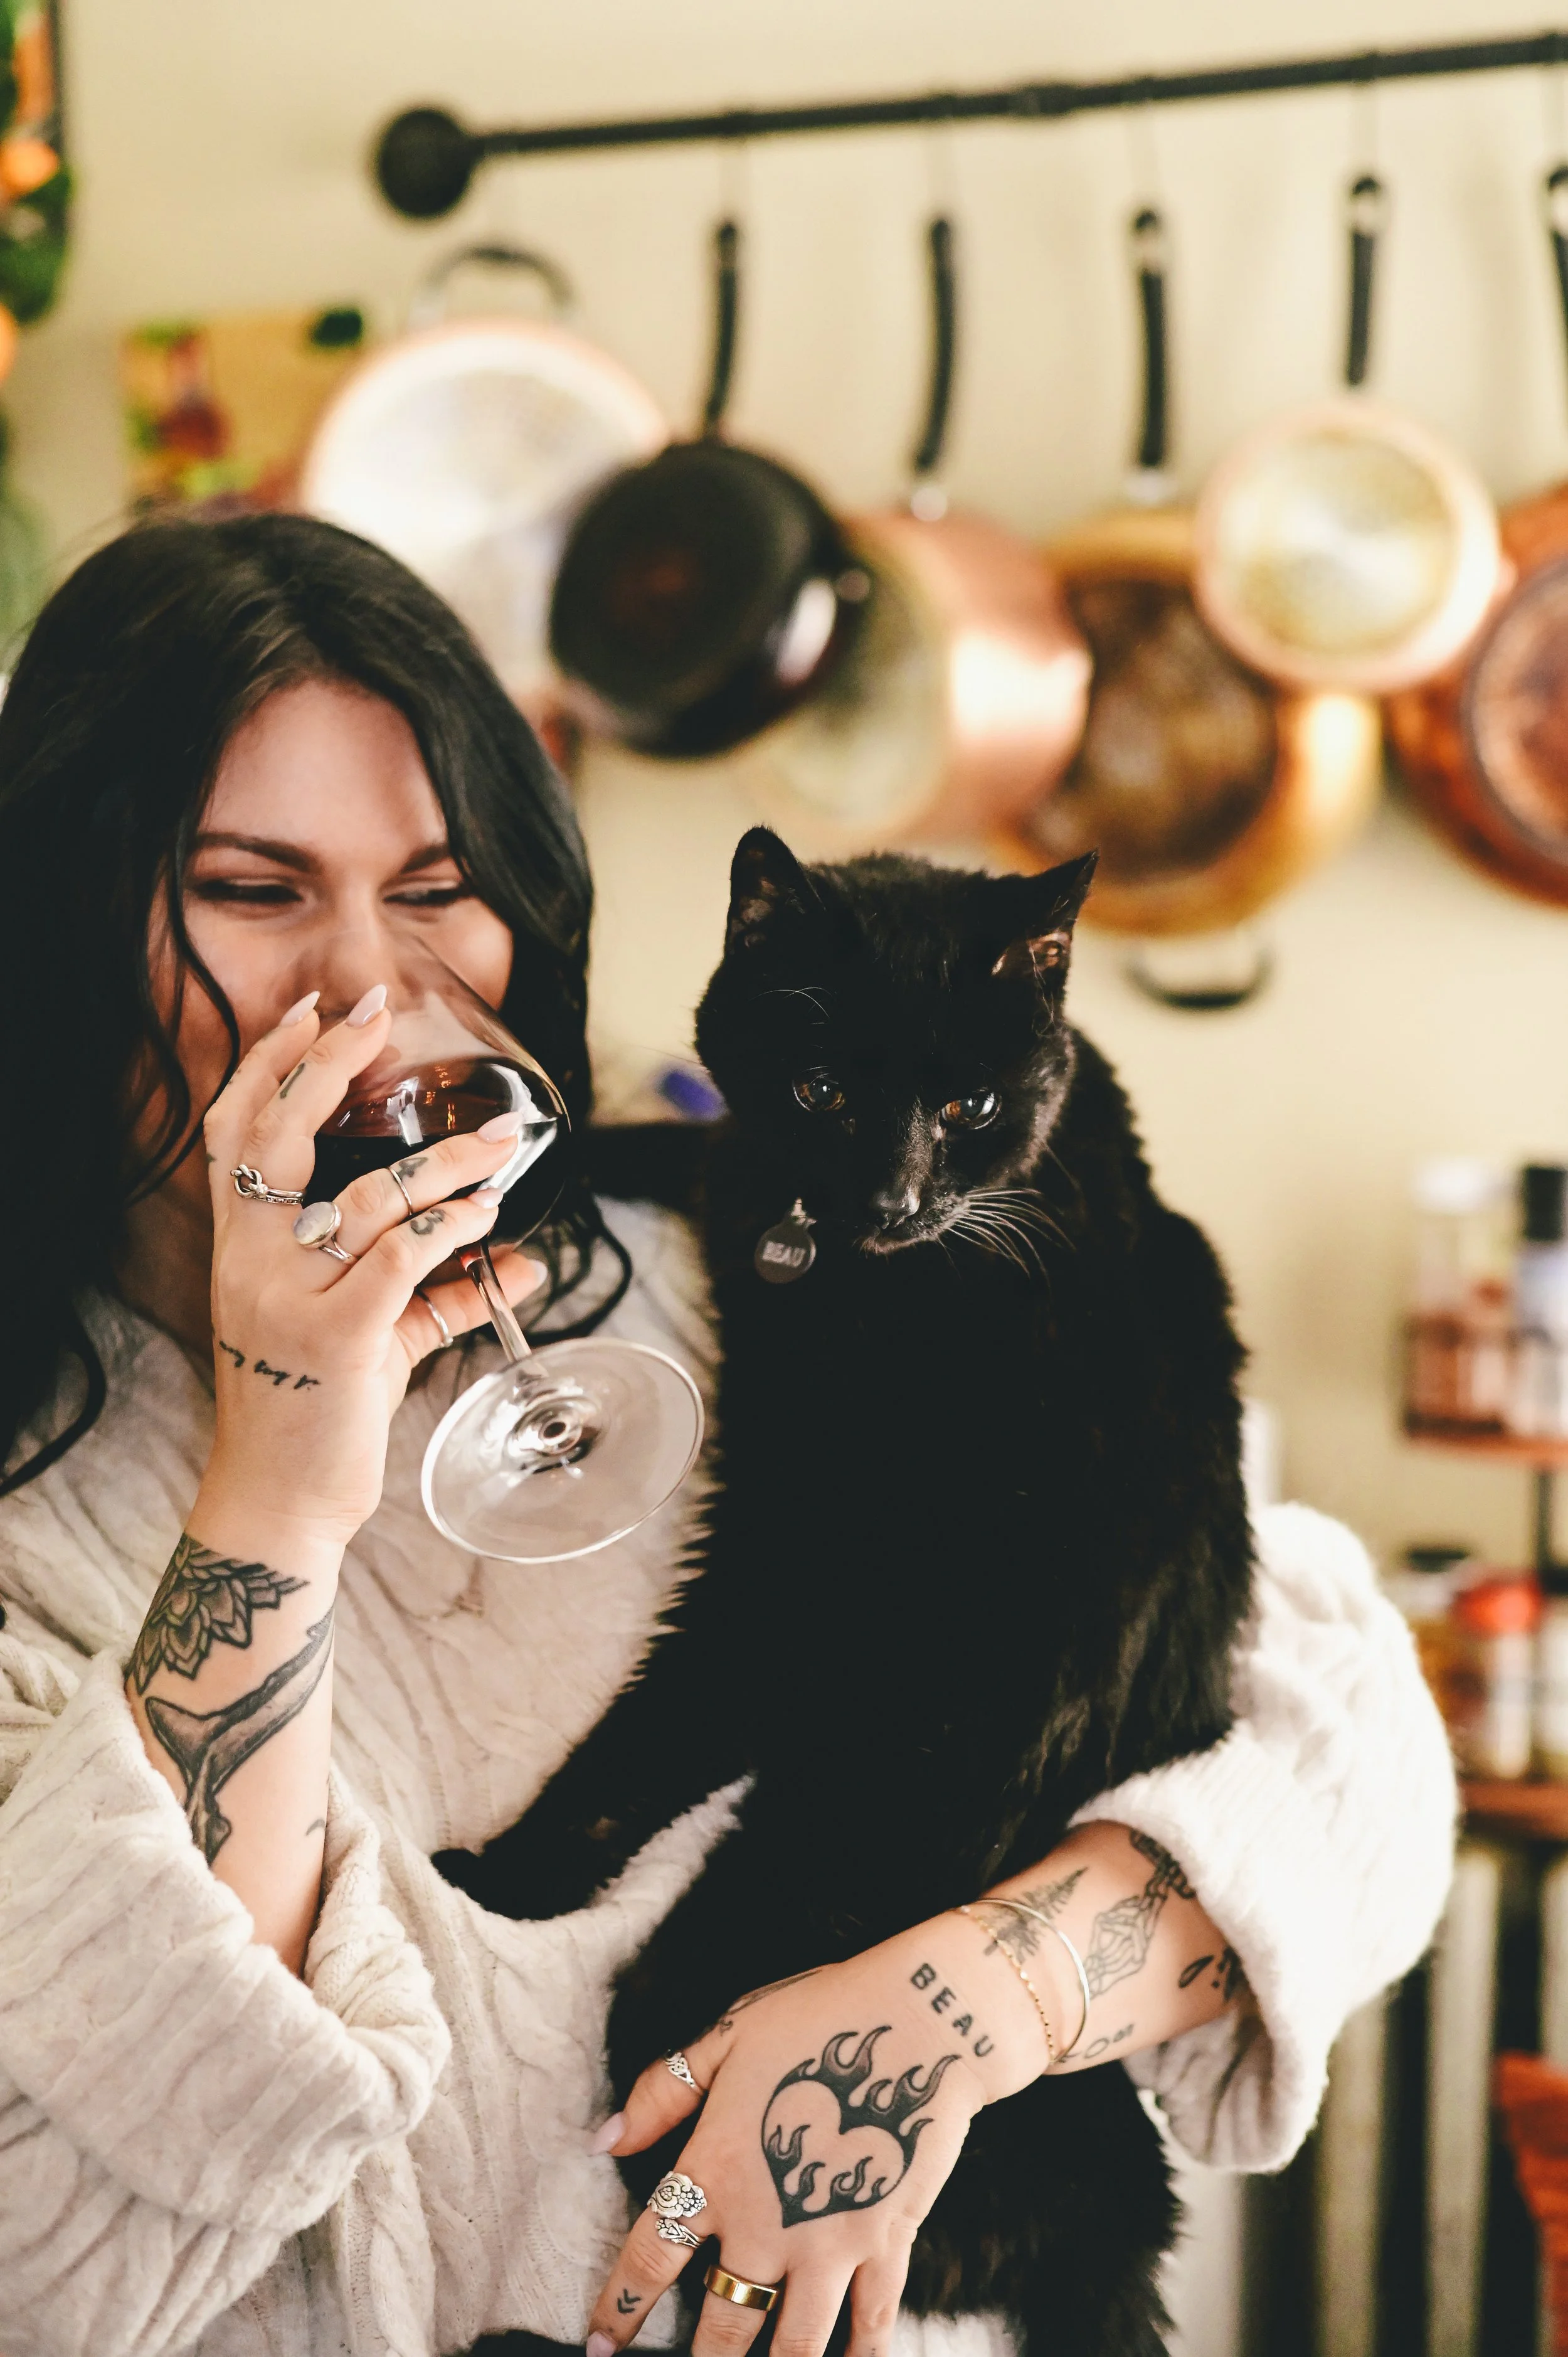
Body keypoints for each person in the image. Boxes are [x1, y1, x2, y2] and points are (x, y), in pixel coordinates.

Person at [0, 516, 1454, 2357]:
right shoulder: (34, 1522)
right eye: (248, 885)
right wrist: (275, 1490)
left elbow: (1351, 1734)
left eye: (438, 886)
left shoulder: (751, 1242)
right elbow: (51, 2256)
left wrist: (967, 1998)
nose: (360, 991)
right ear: (62, 918)